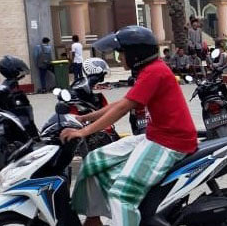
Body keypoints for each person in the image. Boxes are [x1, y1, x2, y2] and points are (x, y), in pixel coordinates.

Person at [60, 25, 197, 226]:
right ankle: (93, 219)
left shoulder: (155, 72)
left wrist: (84, 131)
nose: (119, 58)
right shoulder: (149, 70)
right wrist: (84, 118)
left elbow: (123, 108)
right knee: (93, 162)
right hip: (155, 136)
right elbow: (124, 102)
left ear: (135, 55)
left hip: (171, 143)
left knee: (121, 196)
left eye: (121, 53)